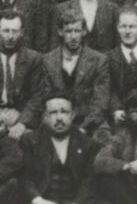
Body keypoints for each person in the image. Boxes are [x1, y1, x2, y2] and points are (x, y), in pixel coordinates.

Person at [19, 93, 115, 204]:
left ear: (73, 115)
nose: (59, 118)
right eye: (53, 112)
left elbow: (90, 180)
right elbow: (25, 177)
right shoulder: (30, 140)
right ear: (45, 116)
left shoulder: (88, 144)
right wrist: (41, 203)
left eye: (64, 112)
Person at [0, 9, 48, 140]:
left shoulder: (34, 59)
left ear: (22, 33)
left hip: (23, 117)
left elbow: (37, 96)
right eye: (6, 31)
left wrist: (22, 123)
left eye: (15, 31)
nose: (10, 36)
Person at [42, 9, 110, 143]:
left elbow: (100, 102)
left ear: (84, 32)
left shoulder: (99, 60)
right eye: (68, 31)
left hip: (89, 122)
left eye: (77, 31)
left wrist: (84, 129)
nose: (73, 36)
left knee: (102, 141)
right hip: (57, 119)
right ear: (60, 32)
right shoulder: (48, 60)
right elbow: (45, 97)